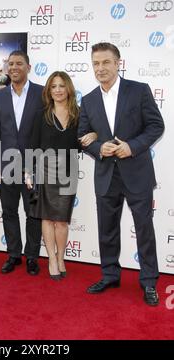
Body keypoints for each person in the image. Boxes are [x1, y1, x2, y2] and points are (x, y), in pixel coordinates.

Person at [78, 42, 165, 306]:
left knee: (144, 229)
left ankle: (149, 282)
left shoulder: (138, 91)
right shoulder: (89, 99)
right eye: (96, 63)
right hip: (106, 175)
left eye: (106, 62)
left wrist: (132, 146)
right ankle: (110, 274)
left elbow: (155, 126)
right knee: (107, 229)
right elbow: (81, 135)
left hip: (136, 172)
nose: (100, 68)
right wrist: (98, 147)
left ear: (118, 63)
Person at [27, 71, 97, 280]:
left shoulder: (79, 113)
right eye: (53, 86)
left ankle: (61, 257)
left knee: (62, 221)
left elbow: (88, 138)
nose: (57, 90)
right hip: (45, 169)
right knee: (48, 219)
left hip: (69, 170)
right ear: (49, 90)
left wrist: (94, 134)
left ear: (68, 89)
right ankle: (51, 259)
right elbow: (33, 144)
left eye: (61, 86)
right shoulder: (42, 114)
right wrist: (28, 172)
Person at [0, 50, 43, 276]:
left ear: (29, 67)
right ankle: (13, 254)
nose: (15, 67)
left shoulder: (42, 93)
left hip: (33, 166)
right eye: (11, 64)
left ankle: (32, 256)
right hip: (5, 166)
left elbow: (46, 130)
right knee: (9, 211)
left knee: (33, 213)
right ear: (7, 68)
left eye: (19, 63)